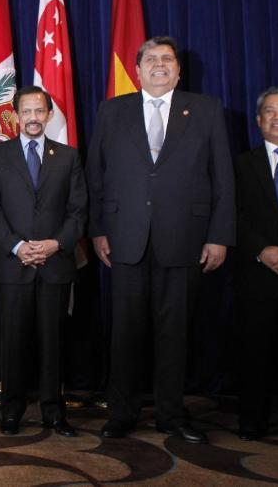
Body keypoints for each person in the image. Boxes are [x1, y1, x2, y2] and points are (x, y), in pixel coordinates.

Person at [87, 36, 235, 444]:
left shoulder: (205, 110)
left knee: (175, 333)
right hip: (125, 239)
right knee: (125, 333)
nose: (158, 65)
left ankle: (172, 415)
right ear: (136, 71)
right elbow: (96, 176)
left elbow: (222, 176)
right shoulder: (112, 110)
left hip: (184, 239)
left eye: (166, 59)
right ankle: (122, 413)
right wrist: (99, 229)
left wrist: (219, 235)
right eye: (150, 59)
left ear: (178, 69)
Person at [0, 85, 86, 437]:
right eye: (26, 112)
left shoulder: (68, 157)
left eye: (39, 111)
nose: (33, 118)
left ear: (49, 115)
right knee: (12, 344)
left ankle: (54, 413)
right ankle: (11, 411)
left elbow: (78, 210)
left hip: (55, 265)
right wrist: (16, 246)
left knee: (53, 343)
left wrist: (56, 244)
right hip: (14, 266)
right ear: (16, 116)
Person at [234, 87, 278, 441]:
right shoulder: (243, 164)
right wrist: (262, 250)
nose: (277, 117)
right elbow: (233, 215)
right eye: (269, 112)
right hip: (256, 273)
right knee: (254, 350)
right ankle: (252, 421)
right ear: (258, 121)